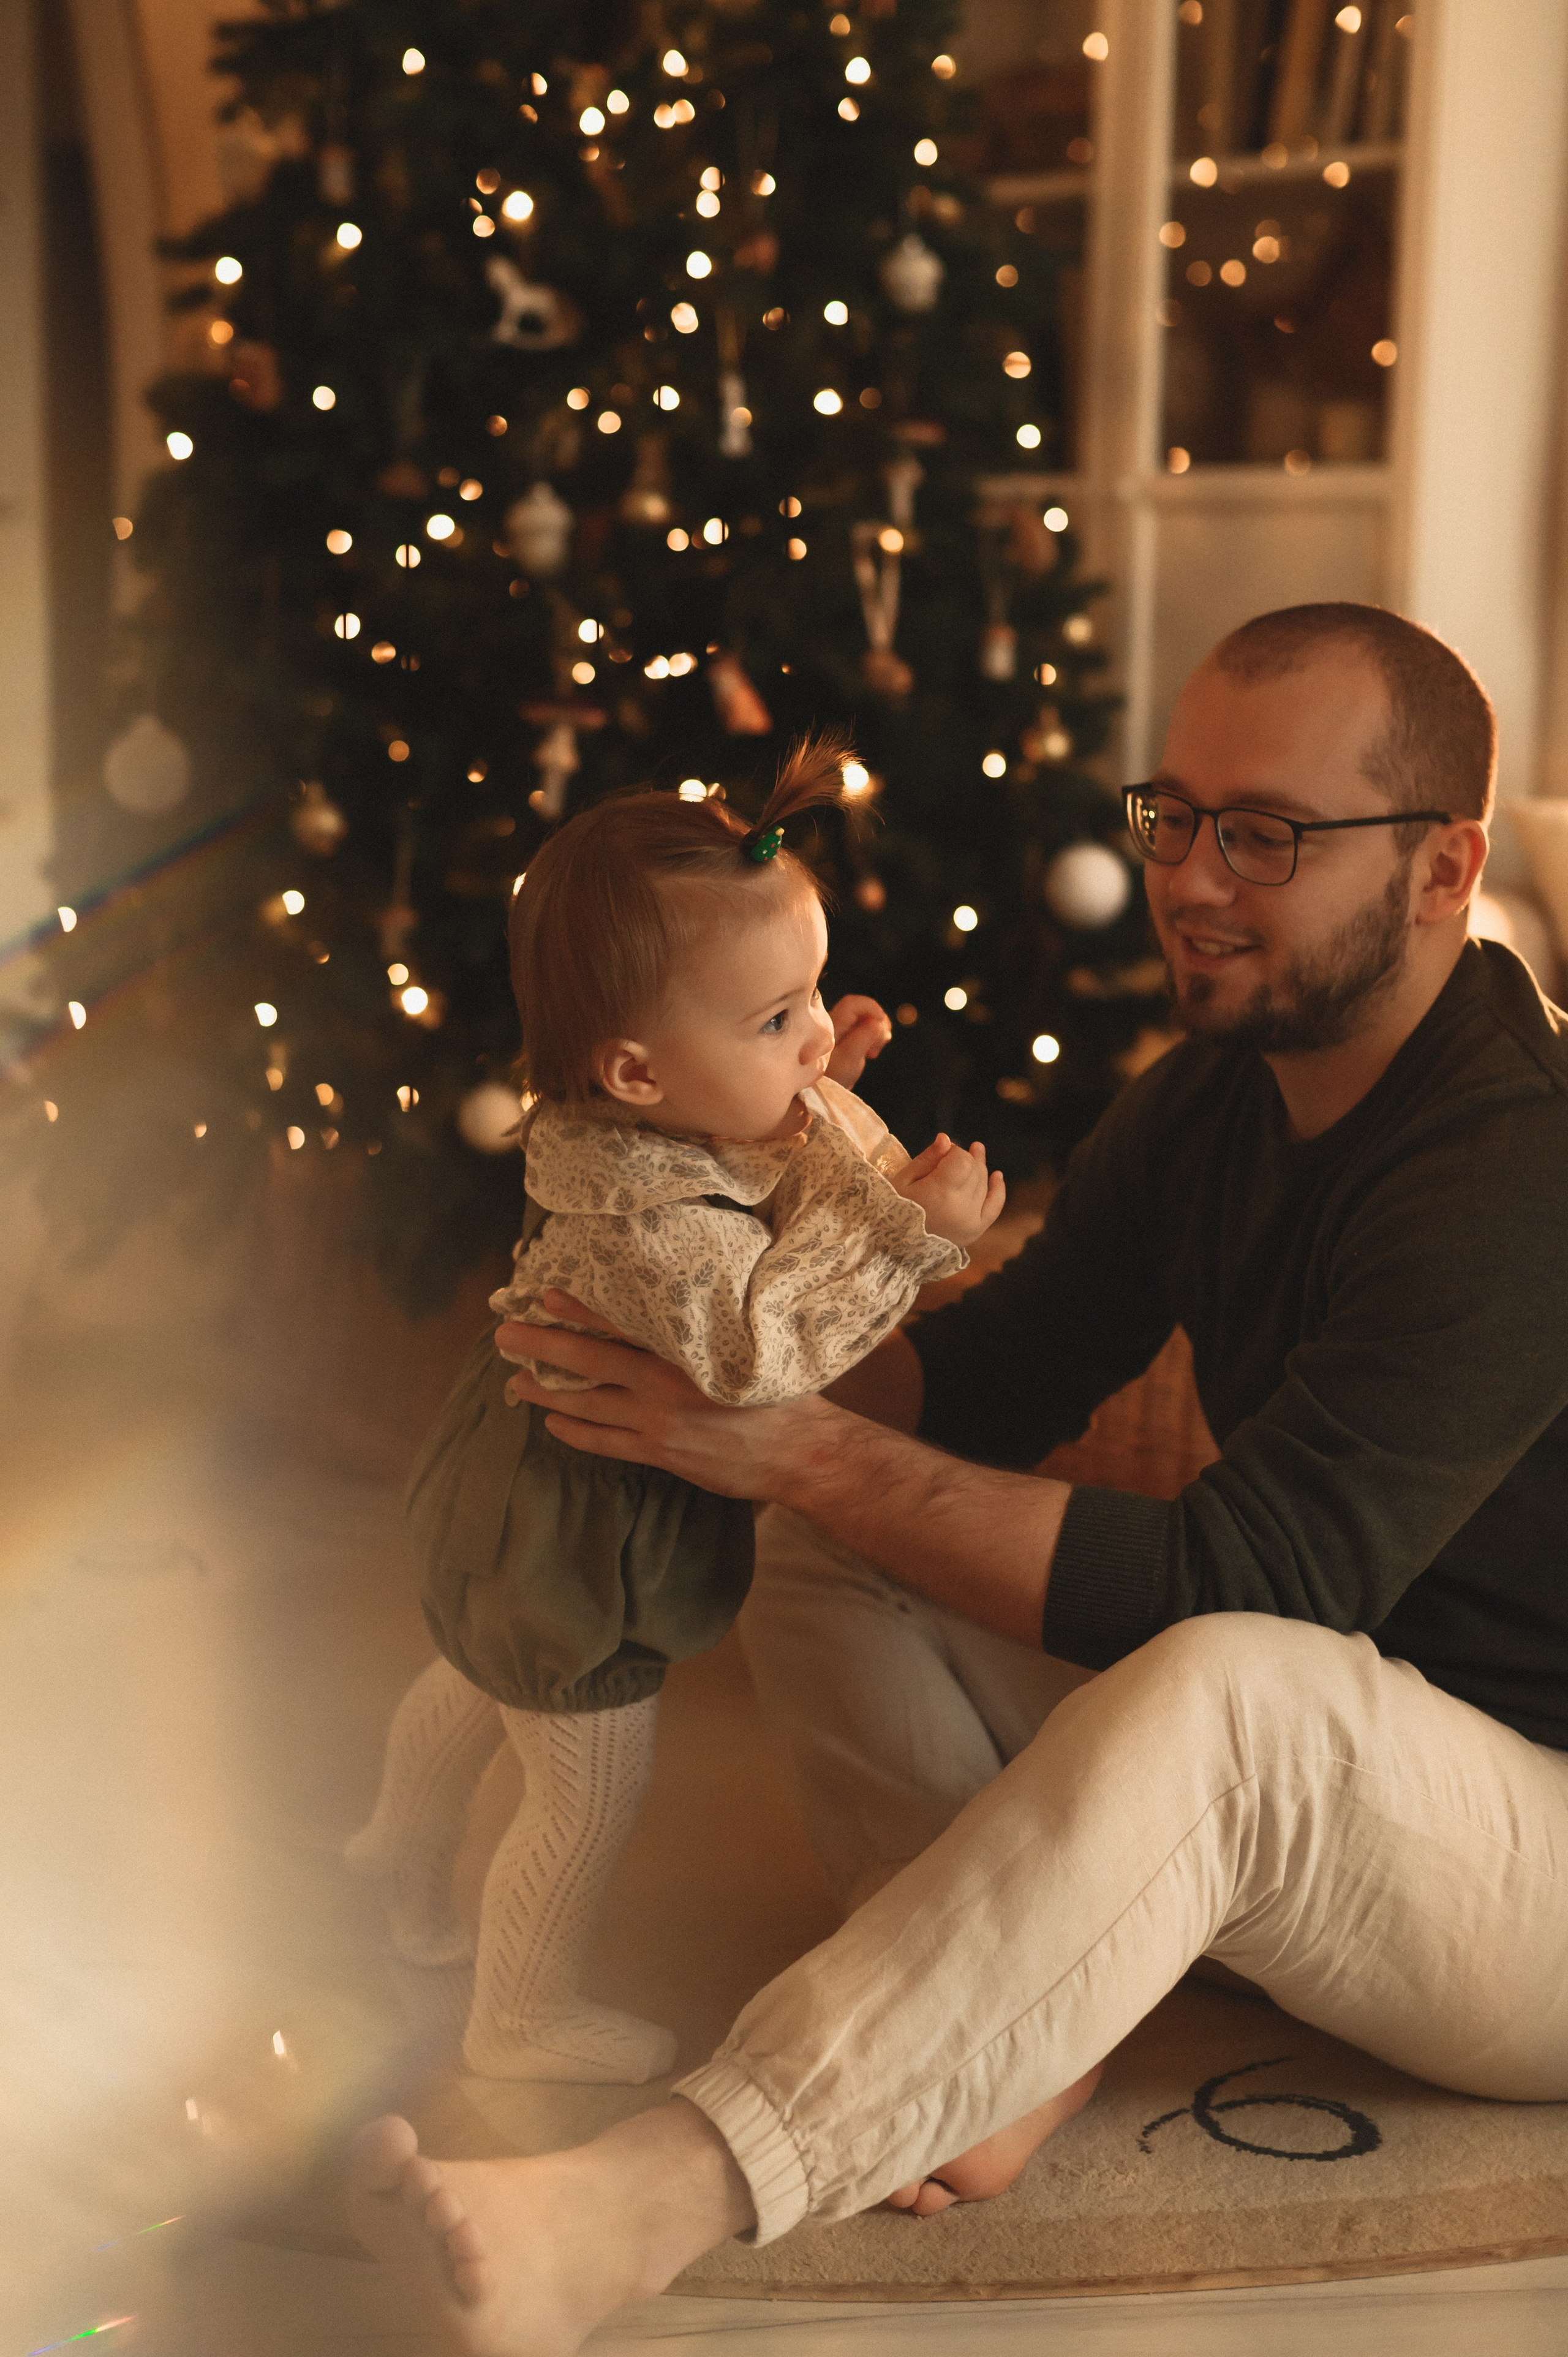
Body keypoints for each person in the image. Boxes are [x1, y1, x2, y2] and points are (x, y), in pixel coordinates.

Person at [345, 604, 1568, 2355]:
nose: (1192, 882)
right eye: (1178, 816)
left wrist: (802, 1442)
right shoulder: (1213, 1099)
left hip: (1540, 1848)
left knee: (1231, 1683)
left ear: (1447, 869)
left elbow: (1253, 1588)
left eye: (1267, 836)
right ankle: (1004, 2045)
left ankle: (648, 2200)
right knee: (830, 1537)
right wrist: (710, 1300)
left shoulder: (1521, 1160)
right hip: (1363, 1745)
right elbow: (976, 1395)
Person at [346, 734, 1002, 2084]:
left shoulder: (630, 1124)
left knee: (478, 1676)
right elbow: (759, 1347)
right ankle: (519, 2016)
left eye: (812, 994)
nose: (816, 1036)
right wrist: (899, 1238)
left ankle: (388, 1857)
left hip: (513, 1482)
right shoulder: (641, 1220)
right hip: (574, 1520)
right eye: (777, 1020)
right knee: (586, 1784)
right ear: (638, 1071)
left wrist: (820, 1080)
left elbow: (750, 1168)